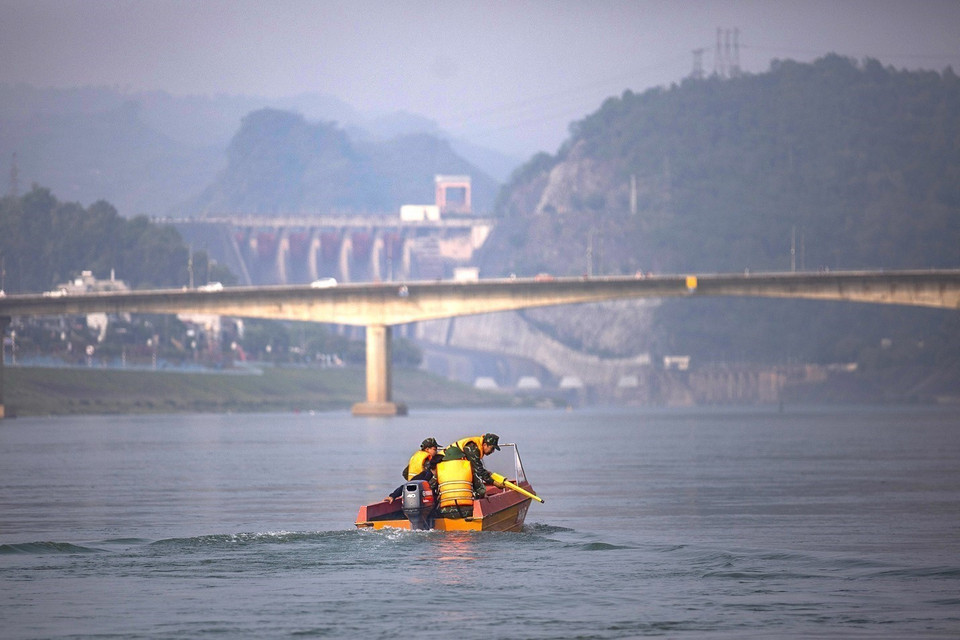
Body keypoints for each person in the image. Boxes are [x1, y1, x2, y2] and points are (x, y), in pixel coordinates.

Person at [438, 433, 501, 507]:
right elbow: (478, 470)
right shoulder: (472, 448)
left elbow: (477, 468)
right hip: (444, 465)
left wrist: (488, 474)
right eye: (492, 448)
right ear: (484, 445)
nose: (492, 451)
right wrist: (494, 482)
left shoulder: (476, 447)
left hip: (453, 467)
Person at [383, 437, 442, 503]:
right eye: (434, 449)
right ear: (427, 449)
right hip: (423, 490)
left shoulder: (416, 458)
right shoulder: (428, 462)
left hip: (411, 487)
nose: (436, 451)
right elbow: (430, 477)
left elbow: (405, 473)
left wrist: (411, 480)